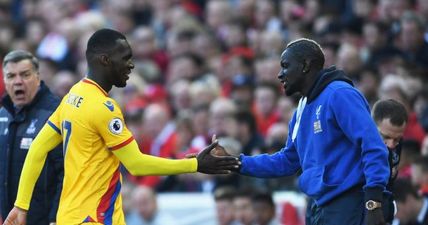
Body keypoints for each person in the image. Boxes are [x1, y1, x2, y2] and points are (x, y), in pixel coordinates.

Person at [4, 28, 240, 225]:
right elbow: (136, 164)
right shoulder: (103, 108)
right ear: (105, 60)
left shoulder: (73, 96)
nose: (131, 65)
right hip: (94, 218)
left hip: (69, 217)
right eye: (125, 57)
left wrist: (21, 205)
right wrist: (195, 164)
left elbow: (37, 149)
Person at [218, 38, 390, 225]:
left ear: (306, 65)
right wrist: (235, 163)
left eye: (285, 66)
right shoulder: (301, 107)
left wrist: (374, 202)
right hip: (320, 206)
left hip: (350, 203)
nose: (280, 74)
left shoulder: (339, 94)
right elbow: (288, 161)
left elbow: (373, 146)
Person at [0, 50, 64, 225]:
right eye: (11, 76)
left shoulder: (55, 113)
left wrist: (55, 219)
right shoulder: (3, 115)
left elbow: (66, 173)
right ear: (5, 81)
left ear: (38, 76)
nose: (18, 81)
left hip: (45, 219)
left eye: (25, 75)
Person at [371, 98, 408, 223]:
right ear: (371, 127)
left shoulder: (397, 144)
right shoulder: (355, 148)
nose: (391, 145)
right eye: (385, 137)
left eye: (397, 139)